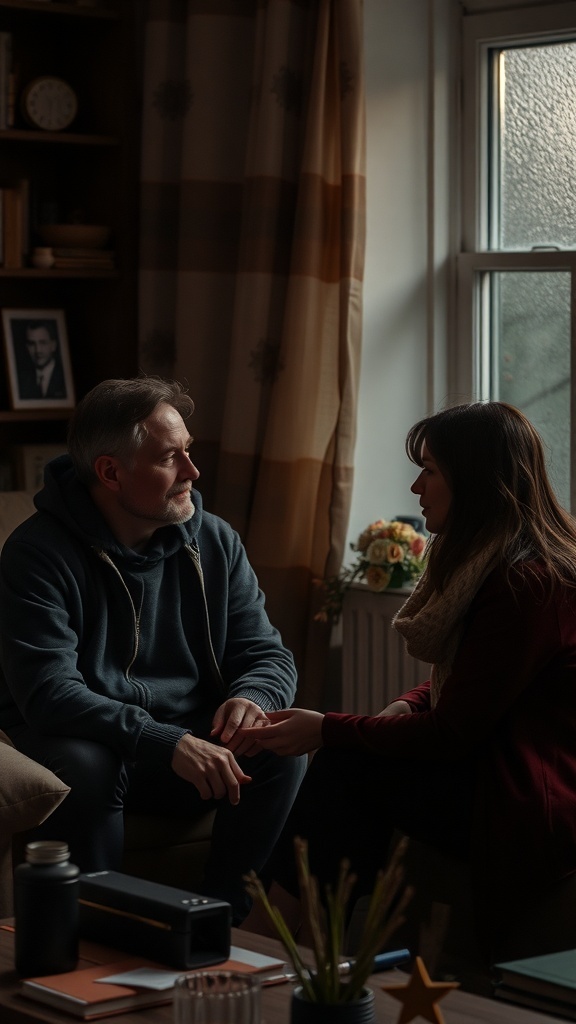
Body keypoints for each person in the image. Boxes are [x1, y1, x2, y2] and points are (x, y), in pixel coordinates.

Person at [238, 401, 576, 960]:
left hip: (521, 793)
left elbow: (454, 732)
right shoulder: (492, 561)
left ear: (474, 481)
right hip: (491, 762)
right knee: (351, 772)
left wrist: (328, 729)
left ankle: (271, 940)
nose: (417, 487)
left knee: (346, 763)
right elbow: (480, 685)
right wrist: (404, 703)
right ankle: (298, 946)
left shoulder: (527, 583)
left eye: (431, 470)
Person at [0, 376, 306, 923]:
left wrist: (252, 698)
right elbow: (50, 694)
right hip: (94, 742)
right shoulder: (35, 555)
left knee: (283, 748)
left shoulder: (214, 540)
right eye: (171, 457)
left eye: (188, 452)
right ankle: (97, 927)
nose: (192, 471)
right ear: (111, 472)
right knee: (85, 764)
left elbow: (267, 654)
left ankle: (219, 922)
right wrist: (165, 741)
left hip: (184, 743)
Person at [17, 319, 67, 399]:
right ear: (27, 347)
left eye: (43, 342)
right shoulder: (20, 380)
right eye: (32, 344)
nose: (38, 350)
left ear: (53, 345)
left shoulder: (65, 378)